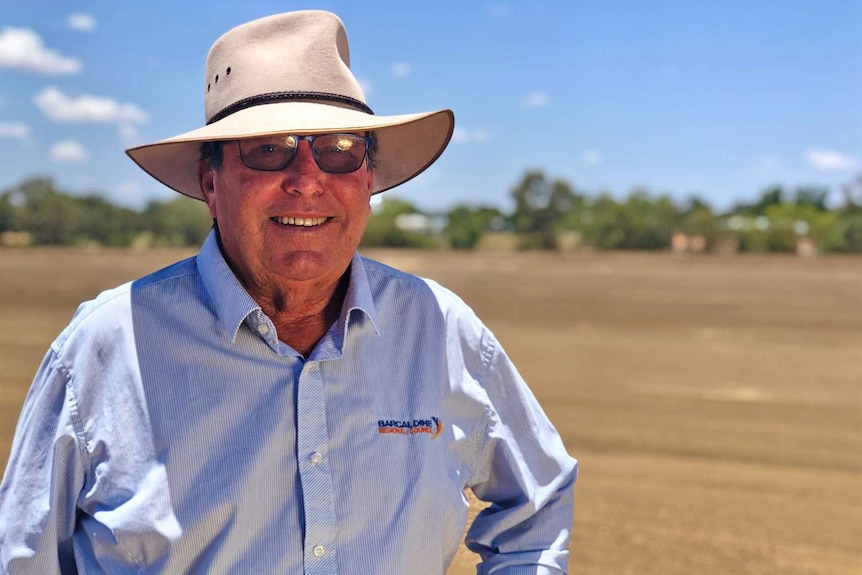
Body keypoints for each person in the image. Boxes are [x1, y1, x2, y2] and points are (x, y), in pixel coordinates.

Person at [0, 10, 577, 574]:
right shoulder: (103, 347)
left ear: (368, 182)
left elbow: (539, 505)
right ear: (210, 182)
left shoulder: (440, 328)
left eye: (340, 150)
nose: (307, 178)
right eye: (269, 148)